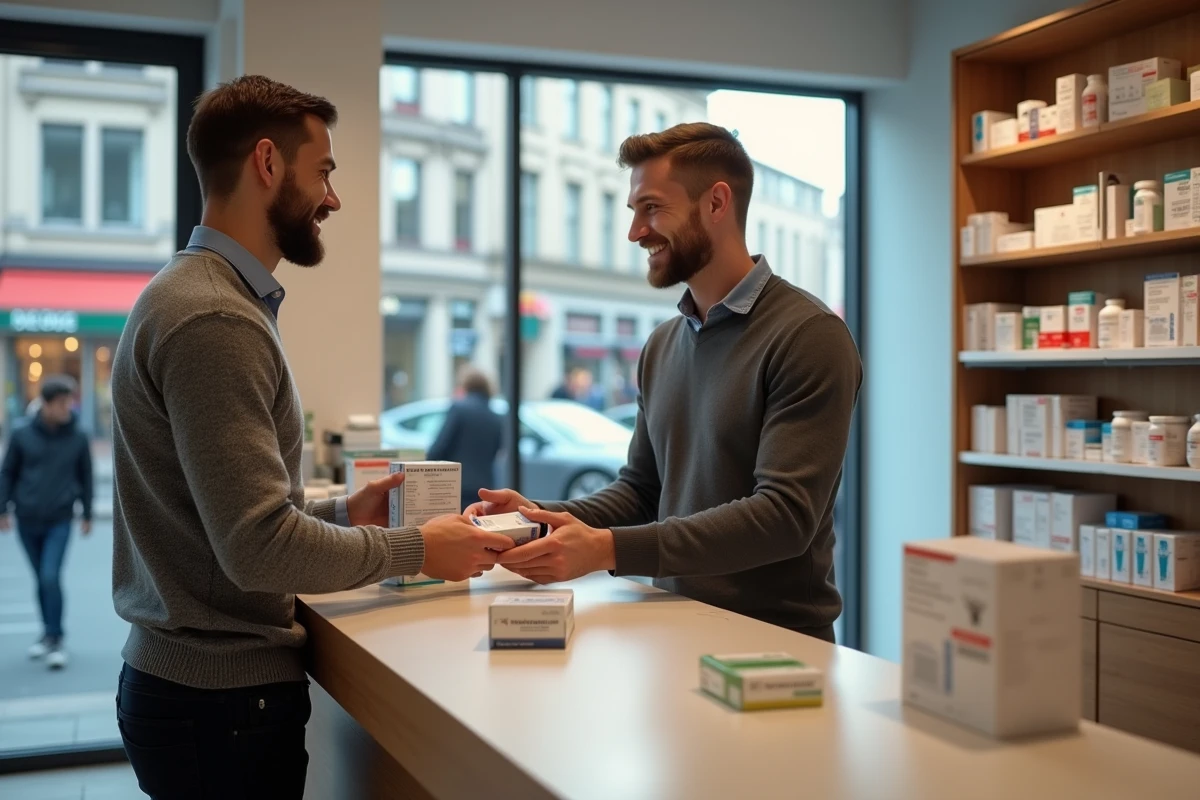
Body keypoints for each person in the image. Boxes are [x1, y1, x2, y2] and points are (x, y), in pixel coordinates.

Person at [109, 75, 514, 799]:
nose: (333, 197)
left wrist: (342, 514)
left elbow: (218, 523)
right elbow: (256, 549)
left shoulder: (201, 296)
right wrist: (421, 548)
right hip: (220, 708)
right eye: (323, 170)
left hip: (197, 697)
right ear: (268, 163)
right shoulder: (216, 319)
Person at [472, 123, 862, 643]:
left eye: (651, 208)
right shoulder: (662, 345)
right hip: (670, 626)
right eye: (634, 211)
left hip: (776, 646)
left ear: (716, 203)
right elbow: (642, 491)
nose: (636, 232)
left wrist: (608, 548)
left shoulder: (809, 336)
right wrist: (538, 516)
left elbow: (785, 517)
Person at [0, 376, 93, 670]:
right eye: (64, 402)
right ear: (48, 403)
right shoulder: (21, 433)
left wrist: (88, 513)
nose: (70, 407)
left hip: (59, 520)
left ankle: (55, 638)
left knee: (50, 576)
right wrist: (2, 509)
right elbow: (7, 472)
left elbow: (86, 477)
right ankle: (46, 633)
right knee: (40, 577)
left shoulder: (78, 436)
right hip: (27, 519)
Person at [427, 366, 503, 512]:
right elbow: (497, 451)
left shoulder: (459, 409)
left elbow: (439, 447)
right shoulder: (496, 417)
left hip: (456, 487)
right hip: (485, 488)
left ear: (465, 386)